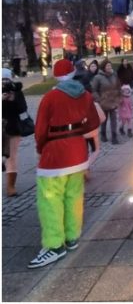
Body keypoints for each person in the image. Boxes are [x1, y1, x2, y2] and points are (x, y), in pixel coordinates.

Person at [28, 59, 100, 268]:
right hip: (78, 151)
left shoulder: (50, 97)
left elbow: (40, 129)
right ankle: (71, 236)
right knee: (74, 196)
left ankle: (54, 245)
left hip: (55, 154)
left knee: (50, 200)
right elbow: (93, 123)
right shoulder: (85, 95)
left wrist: (41, 149)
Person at [3, 68, 30, 196]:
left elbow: (23, 108)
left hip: (12, 128)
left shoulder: (16, 91)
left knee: (11, 157)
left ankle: (10, 186)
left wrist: (13, 99)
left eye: (6, 80)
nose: (4, 83)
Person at [90, 60, 122, 144]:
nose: (109, 67)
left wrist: (119, 97)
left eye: (110, 66)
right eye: (107, 66)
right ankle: (103, 134)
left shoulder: (114, 75)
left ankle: (114, 136)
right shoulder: (98, 77)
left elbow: (118, 86)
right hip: (103, 102)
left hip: (113, 101)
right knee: (104, 119)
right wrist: (99, 99)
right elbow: (93, 90)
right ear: (104, 67)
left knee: (114, 120)